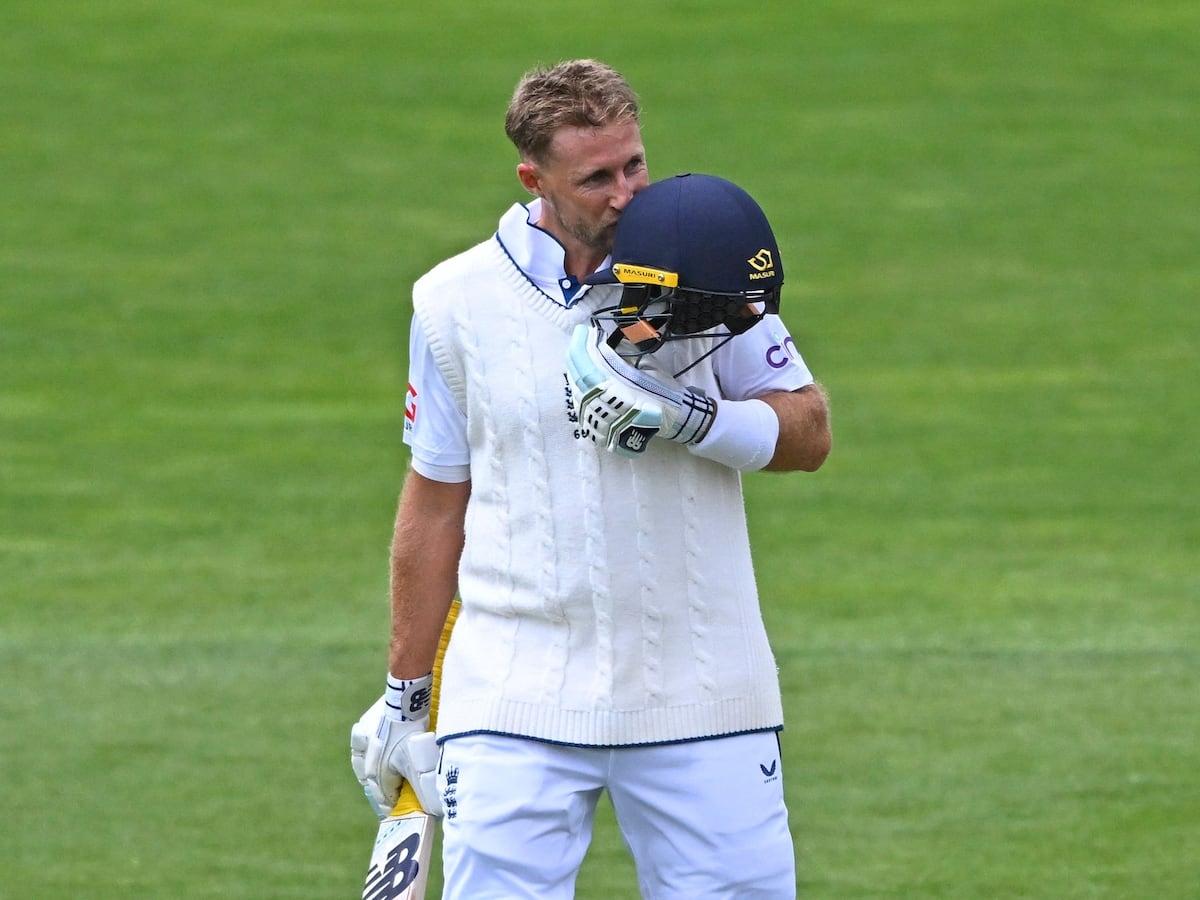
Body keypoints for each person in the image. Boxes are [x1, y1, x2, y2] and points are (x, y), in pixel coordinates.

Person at [350, 58, 831, 899]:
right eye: (597, 177)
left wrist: (696, 420)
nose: (626, 195)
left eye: (635, 164)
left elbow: (809, 432)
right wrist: (405, 691)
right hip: (512, 698)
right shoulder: (453, 302)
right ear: (534, 178)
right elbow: (435, 501)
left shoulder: (707, 266)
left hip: (704, 694)